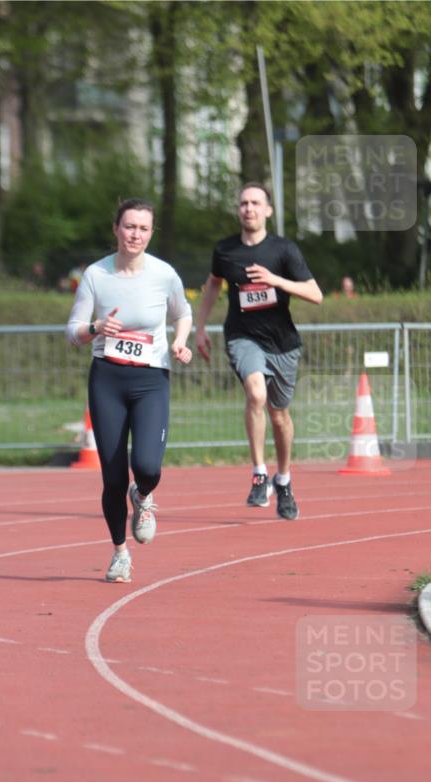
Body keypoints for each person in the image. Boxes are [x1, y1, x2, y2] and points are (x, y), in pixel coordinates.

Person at [66, 198, 193, 583]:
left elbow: (183, 313)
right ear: (116, 229)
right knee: (113, 477)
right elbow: (73, 331)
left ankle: (143, 495)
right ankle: (120, 553)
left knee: (148, 467)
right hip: (108, 379)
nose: (135, 234)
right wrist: (95, 328)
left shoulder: (164, 274)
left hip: (151, 379)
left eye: (143, 228)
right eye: (129, 226)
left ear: (151, 233)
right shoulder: (96, 275)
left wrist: (180, 341)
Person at [195, 182, 322, 519]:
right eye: (243, 203)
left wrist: (276, 281)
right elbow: (213, 283)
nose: (248, 208)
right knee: (256, 394)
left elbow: (316, 294)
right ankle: (259, 474)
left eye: (255, 203)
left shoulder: (284, 250)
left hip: (282, 343)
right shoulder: (225, 250)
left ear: (268, 210)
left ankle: (283, 480)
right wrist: (200, 326)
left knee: (279, 416)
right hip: (242, 336)